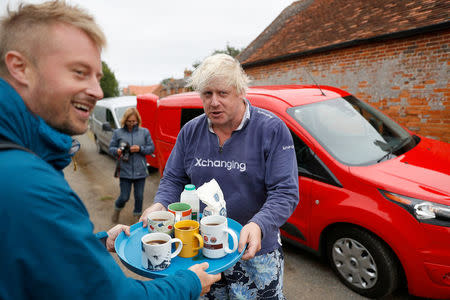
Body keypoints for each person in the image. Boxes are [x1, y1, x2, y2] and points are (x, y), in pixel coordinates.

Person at [0, 1, 220, 299]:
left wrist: (92, 243)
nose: (97, 90)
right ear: (19, 67)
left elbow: (35, 255)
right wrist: (189, 283)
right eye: (79, 72)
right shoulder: (27, 182)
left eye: (97, 76)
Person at [140, 53, 299, 299]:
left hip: (255, 252)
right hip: (204, 250)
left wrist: (259, 224)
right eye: (207, 94)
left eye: (222, 93)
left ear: (240, 92)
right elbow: (173, 179)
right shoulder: (190, 131)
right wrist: (159, 205)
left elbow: (285, 192)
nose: (213, 102)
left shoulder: (272, 129)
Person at [109, 107, 154, 223]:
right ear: (125, 120)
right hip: (124, 170)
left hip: (140, 170)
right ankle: (116, 209)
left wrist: (140, 149)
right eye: (129, 121)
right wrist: (117, 151)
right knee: (124, 197)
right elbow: (111, 148)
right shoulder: (118, 133)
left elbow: (151, 148)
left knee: (139, 196)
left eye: (134, 121)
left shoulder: (144, 132)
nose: (131, 124)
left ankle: (137, 219)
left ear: (137, 120)